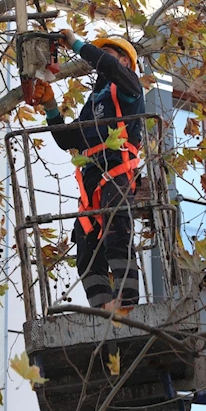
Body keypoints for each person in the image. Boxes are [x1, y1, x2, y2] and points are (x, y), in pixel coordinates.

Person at [30, 29, 145, 309]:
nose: (100, 60)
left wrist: (75, 43)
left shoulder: (129, 88)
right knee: (86, 245)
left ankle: (127, 302)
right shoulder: (93, 104)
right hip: (92, 178)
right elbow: (68, 140)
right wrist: (50, 106)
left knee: (117, 230)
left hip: (116, 169)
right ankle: (102, 306)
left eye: (108, 54)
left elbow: (106, 65)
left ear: (124, 63)